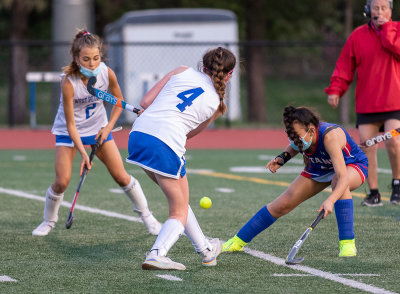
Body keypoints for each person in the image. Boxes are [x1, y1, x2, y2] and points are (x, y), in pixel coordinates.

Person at [32, 30, 161, 236]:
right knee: (62, 181)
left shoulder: (106, 73)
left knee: (121, 176)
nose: (92, 64)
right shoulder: (68, 82)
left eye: (96, 58)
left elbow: (118, 103)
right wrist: (83, 152)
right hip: (69, 132)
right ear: (76, 58)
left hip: (99, 129)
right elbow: (71, 125)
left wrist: (108, 127)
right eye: (86, 59)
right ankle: (49, 220)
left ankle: (147, 216)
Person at [126, 47, 236, 270]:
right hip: (165, 142)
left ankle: (206, 250)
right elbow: (188, 134)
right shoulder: (218, 103)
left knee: (181, 202)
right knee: (178, 209)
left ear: (202, 66)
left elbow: (146, 101)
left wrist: (153, 114)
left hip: (138, 135)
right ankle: (157, 254)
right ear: (229, 74)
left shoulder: (181, 70)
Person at [223, 106, 368, 258]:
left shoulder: (329, 136)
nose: (294, 140)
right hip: (319, 168)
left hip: (351, 166)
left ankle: (347, 244)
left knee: (337, 181)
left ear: (311, 131)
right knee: (281, 205)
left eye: (297, 136)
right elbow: (294, 147)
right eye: (291, 136)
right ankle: (237, 241)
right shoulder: (301, 136)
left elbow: (343, 177)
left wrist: (330, 200)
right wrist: (282, 158)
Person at [325, 0, 400, 206]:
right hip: (368, 104)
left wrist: (386, 31)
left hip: (395, 102)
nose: (380, 12)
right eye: (376, 8)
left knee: (394, 141)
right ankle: (374, 193)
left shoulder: (397, 30)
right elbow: (344, 66)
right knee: (368, 147)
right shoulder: (358, 35)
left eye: (384, 8)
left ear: (390, 11)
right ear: (368, 10)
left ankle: (397, 185)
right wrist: (335, 89)